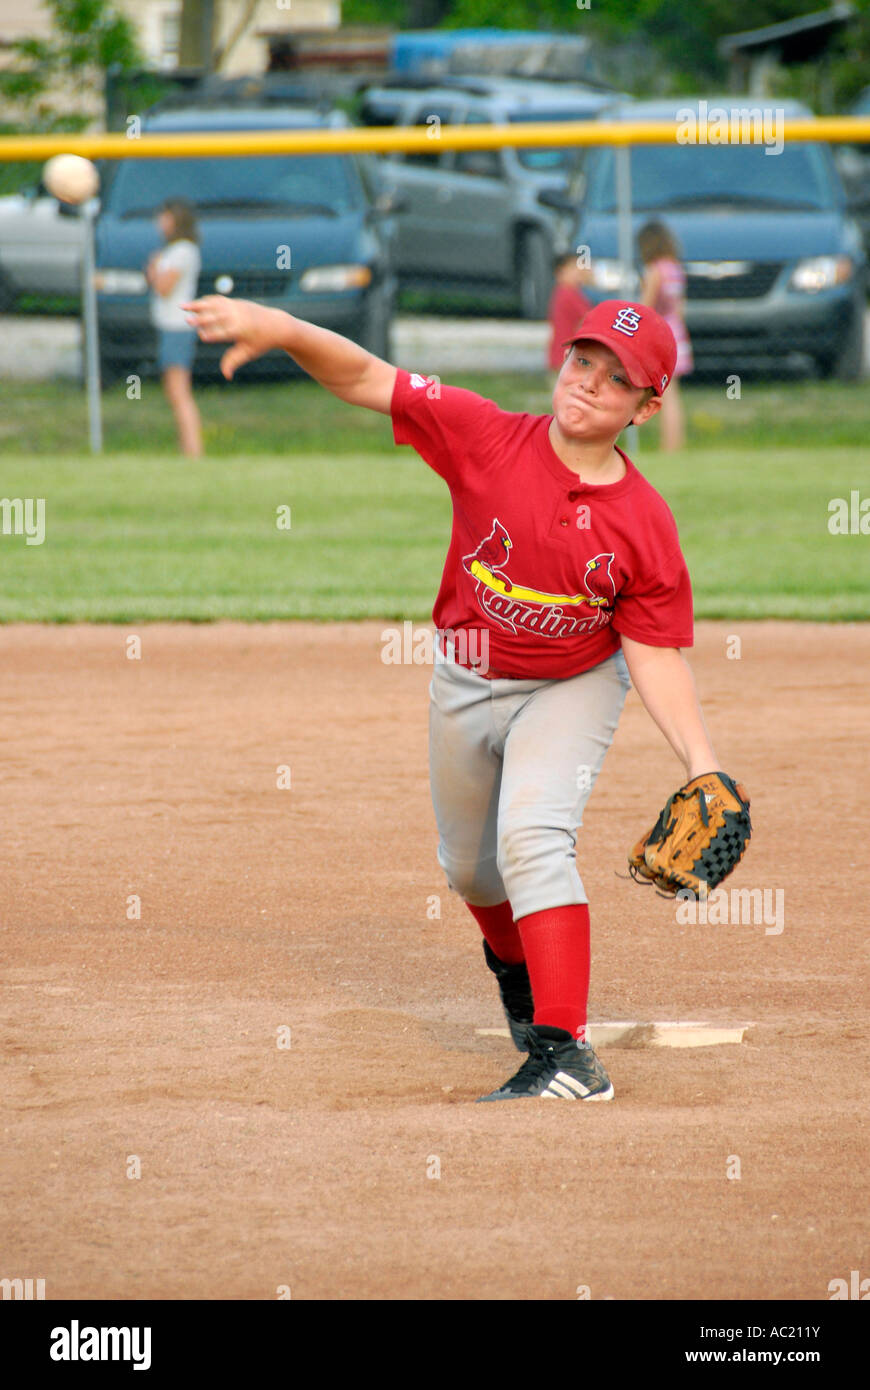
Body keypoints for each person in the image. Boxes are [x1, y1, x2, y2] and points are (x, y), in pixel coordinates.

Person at [182, 292, 725, 1104]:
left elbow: (652, 650)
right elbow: (369, 377)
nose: (588, 383)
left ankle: (564, 1051)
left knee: (534, 838)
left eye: (617, 380)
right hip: (466, 675)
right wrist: (284, 329)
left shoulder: (643, 523)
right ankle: (517, 976)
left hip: (570, 685)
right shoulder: (483, 435)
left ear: (647, 407)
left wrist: (703, 763)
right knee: (472, 872)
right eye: (583, 361)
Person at [145, 199, 203, 458]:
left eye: (165, 218)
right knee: (175, 392)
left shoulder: (183, 250)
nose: (160, 223)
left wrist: (154, 267)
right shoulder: (173, 250)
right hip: (170, 327)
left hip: (177, 328)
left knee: (179, 392)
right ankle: (187, 449)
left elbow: (163, 287)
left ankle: (193, 451)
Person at [637, 221, 693, 452]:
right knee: (673, 395)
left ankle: (669, 446)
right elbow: (679, 308)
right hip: (677, 334)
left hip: (660, 337)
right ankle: (676, 443)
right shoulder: (675, 270)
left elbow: (645, 308)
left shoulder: (655, 272)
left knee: (665, 397)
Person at [547, 250, 592, 382]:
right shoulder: (569, 294)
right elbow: (590, 318)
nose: (579, 271)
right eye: (573, 268)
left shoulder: (562, 292)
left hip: (560, 356)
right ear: (560, 273)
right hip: (566, 357)